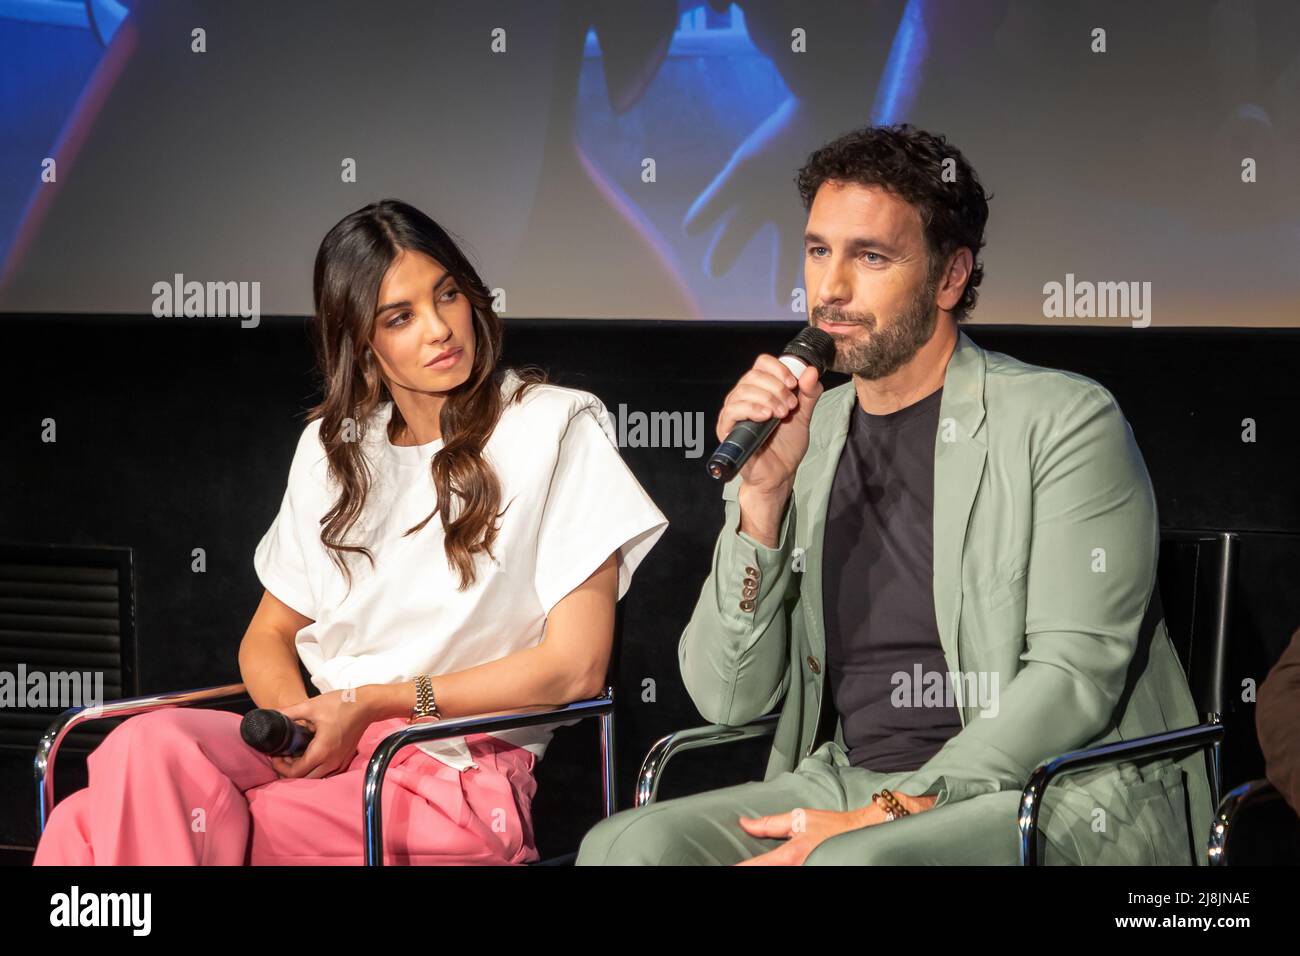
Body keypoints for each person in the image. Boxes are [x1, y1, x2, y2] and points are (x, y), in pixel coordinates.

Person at [577, 124, 1212, 866]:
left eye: (870, 256)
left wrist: (898, 809)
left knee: (856, 863)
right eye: (819, 251)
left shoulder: (1065, 421)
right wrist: (764, 498)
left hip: (1040, 795)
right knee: (628, 845)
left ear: (950, 277)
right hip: (848, 780)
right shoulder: (806, 433)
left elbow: (1072, 680)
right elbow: (729, 699)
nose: (831, 289)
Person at [34, 199, 668, 865]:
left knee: (90, 827)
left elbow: (575, 668)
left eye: (447, 295)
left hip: (446, 770)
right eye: (401, 317)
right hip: (334, 750)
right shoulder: (331, 448)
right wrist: (301, 730)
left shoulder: (554, 426)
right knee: (142, 745)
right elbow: (268, 635)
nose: (440, 329)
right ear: (362, 343)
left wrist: (370, 707)